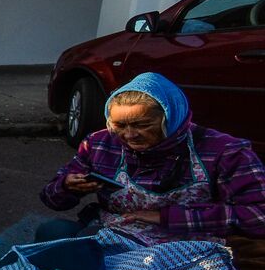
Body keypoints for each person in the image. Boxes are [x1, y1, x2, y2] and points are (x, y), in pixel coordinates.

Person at [40, 72, 265, 244]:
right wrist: (68, 186)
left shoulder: (225, 151)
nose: (129, 135)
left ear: (171, 117)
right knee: (53, 232)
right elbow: (51, 198)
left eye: (142, 125)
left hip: (185, 247)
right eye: (119, 125)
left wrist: (166, 217)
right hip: (115, 235)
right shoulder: (100, 144)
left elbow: (259, 216)